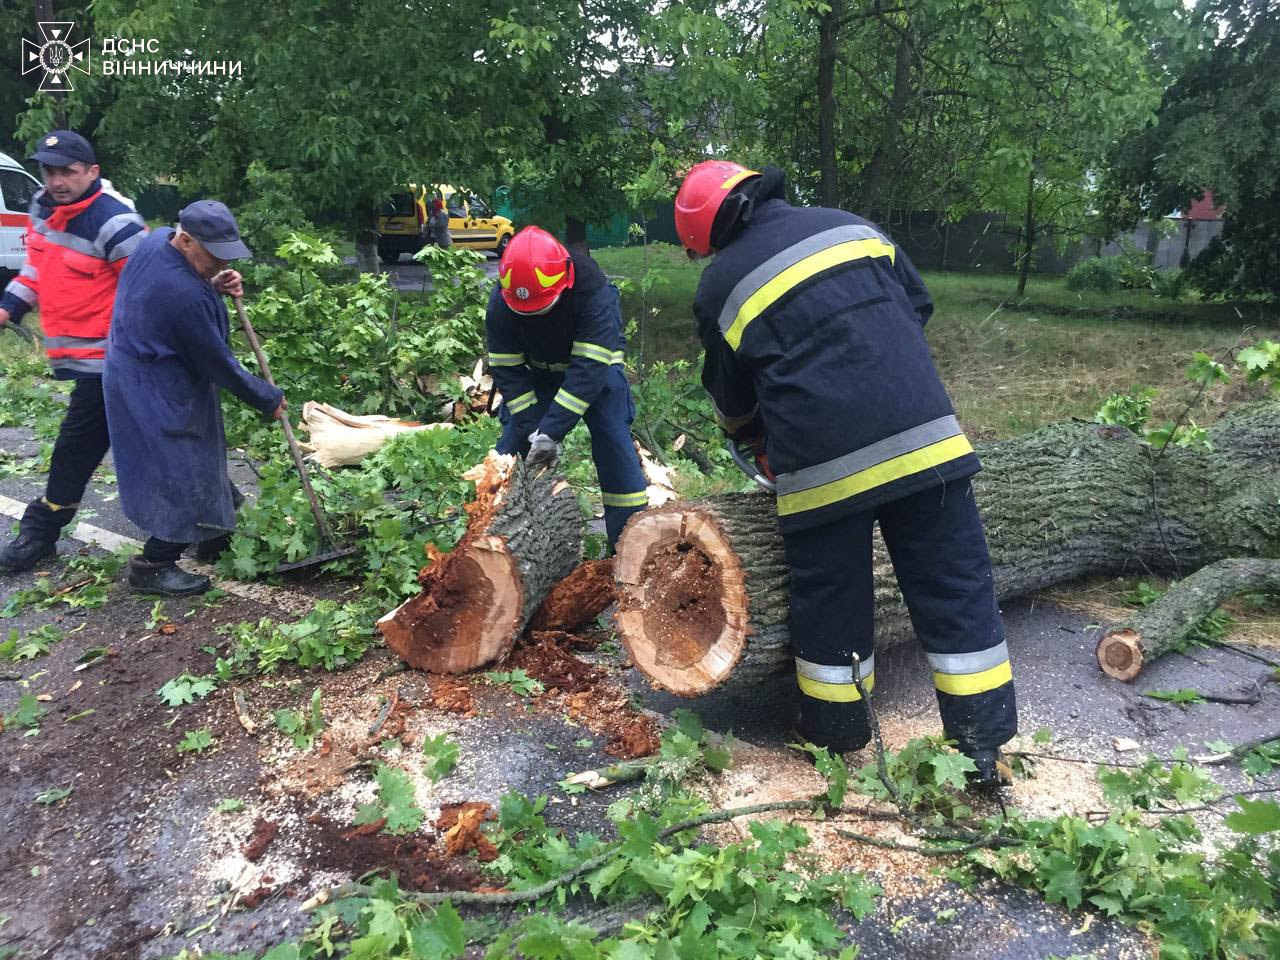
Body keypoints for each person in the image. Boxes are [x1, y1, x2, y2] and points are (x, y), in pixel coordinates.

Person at [674, 161, 1017, 786]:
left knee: (832, 595)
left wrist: (749, 436)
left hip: (823, 466)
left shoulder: (721, 281)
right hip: (927, 441)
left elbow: (731, 397)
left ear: (704, 237)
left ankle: (835, 735)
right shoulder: (852, 227)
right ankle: (982, 745)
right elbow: (917, 304)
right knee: (955, 586)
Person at [102, 201, 285, 596]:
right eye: (214, 258)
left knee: (201, 457)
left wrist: (212, 283)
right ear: (186, 240)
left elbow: (184, 293)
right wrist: (267, 397)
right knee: (181, 468)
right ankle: (154, 565)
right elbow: (218, 363)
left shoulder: (156, 242)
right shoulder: (182, 296)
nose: (221, 265)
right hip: (156, 385)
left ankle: (215, 534)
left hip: (140, 367)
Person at [0, 130, 148, 573]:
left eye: (68, 170)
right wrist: (8, 307)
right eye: (49, 170)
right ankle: (218, 524)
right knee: (161, 439)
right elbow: (36, 268)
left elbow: (151, 292)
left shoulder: (118, 223)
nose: (57, 180)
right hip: (81, 359)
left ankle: (40, 533)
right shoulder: (44, 207)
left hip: (116, 361)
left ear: (92, 172)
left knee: (76, 449)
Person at [485, 226, 648, 550]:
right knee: (511, 448)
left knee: (612, 438)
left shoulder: (594, 295)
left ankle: (630, 548)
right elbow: (508, 369)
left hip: (596, 373)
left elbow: (587, 373)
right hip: (538, 374)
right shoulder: (502, 302)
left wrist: (552, 431)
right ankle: (493, 537)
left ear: (564, 282)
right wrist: (533, 428)